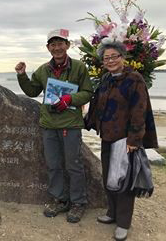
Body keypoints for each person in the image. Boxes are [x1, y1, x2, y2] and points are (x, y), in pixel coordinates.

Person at [15, 29, 93, 223]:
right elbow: (33, 91)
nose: (57, 48)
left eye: (60, 43)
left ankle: (78, 202)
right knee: (53, 165)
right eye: (53, 44)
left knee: (73, 165)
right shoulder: (43, 70)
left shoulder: (79, 67)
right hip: (49, 124)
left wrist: (70, 98)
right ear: (48, 48)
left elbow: (88, 92)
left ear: (67, 45)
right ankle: (59, 199)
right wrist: (22, 75)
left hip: (71, 124)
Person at [84, 40, 158, 241]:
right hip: (107, 135)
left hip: (125, 139)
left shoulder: (134, 79)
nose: (110, 60)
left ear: (123, 57)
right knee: (108, 176)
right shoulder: (107, 78)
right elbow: (98, 102)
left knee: (123, 181)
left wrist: (134, 139)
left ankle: (123, 223)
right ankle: (112, 213)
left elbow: (139, 111)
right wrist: (87, 120)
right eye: (106, 58)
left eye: (114, 56)